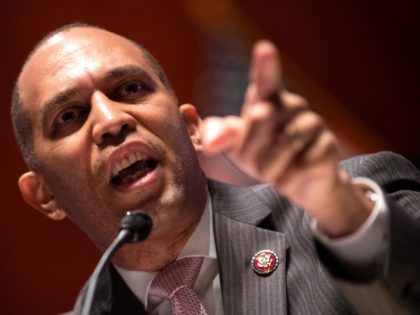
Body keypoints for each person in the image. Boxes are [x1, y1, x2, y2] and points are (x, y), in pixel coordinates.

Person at [11, 23, 420, 315]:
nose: (110, 120)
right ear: (45, 195)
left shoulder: (351, 212)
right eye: (69, 116)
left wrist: (341, 209)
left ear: (192, 128)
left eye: (131, 89)